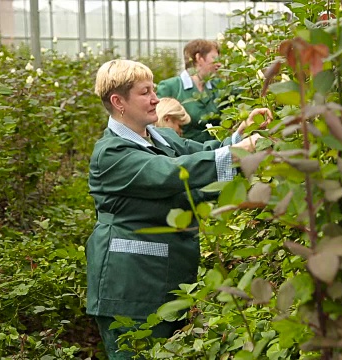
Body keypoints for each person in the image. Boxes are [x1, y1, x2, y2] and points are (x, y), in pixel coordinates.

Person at [88, 59, 271, 359]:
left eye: (154, 90)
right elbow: (172, 172)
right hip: (129, 290)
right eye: (144, 92)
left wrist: (240, 136)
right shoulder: (110, 154)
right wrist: (241, 152)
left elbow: (206, 155)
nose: (155, 99)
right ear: (118, 101)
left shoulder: (163, 137)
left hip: (167, 279)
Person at [156, 39, 228, 142]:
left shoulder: (219, 86)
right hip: (184, 153)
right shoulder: (170, 87)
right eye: (214, 58)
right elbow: (159, 124)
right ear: (199, 58)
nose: (219, 64)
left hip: (217, 150)